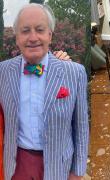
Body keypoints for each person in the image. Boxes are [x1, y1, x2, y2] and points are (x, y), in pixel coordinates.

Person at [0, 3, 89, 180]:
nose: (33, 38)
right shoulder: (2, 72)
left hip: (59, 167)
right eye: (25, 31)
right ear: (16, 37)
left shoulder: (74, 73)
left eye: (39, 30)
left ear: (50, 35)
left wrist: (77, 172)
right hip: (17, 165)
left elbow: (81, 127)